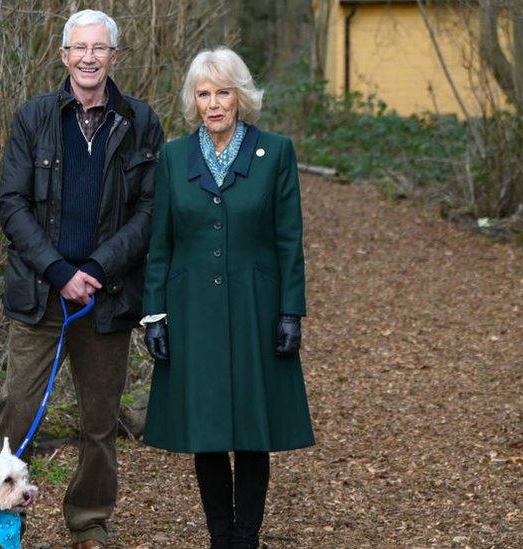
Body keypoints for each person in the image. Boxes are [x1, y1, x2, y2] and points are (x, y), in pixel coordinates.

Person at [0, 9, 164, 549]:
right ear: (64, 55)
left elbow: (149, 210)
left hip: (107, 298)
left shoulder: (141, 121)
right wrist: (60, 270)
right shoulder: (34, 117)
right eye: (79, 47)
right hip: (41, 294)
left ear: (115, 56)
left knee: (99, 422)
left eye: (100, 48)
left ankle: (89, 523)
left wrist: (95, 270)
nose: (89, 57)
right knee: (18, 413)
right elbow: (12, 204)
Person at [141, 47, 315, 549]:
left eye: (222, 92)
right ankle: (221, 536)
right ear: (193, 101)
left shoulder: (275, 152)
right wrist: (154, 314)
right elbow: (161, 243)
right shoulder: (175, 158)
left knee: (252, 426)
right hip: (192, 308)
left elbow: (289, 239)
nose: (213, 104)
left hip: (257, 307)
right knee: (209, 426)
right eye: (203, 94)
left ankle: (247, 536)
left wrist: (291, 311)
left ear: (241, 97)